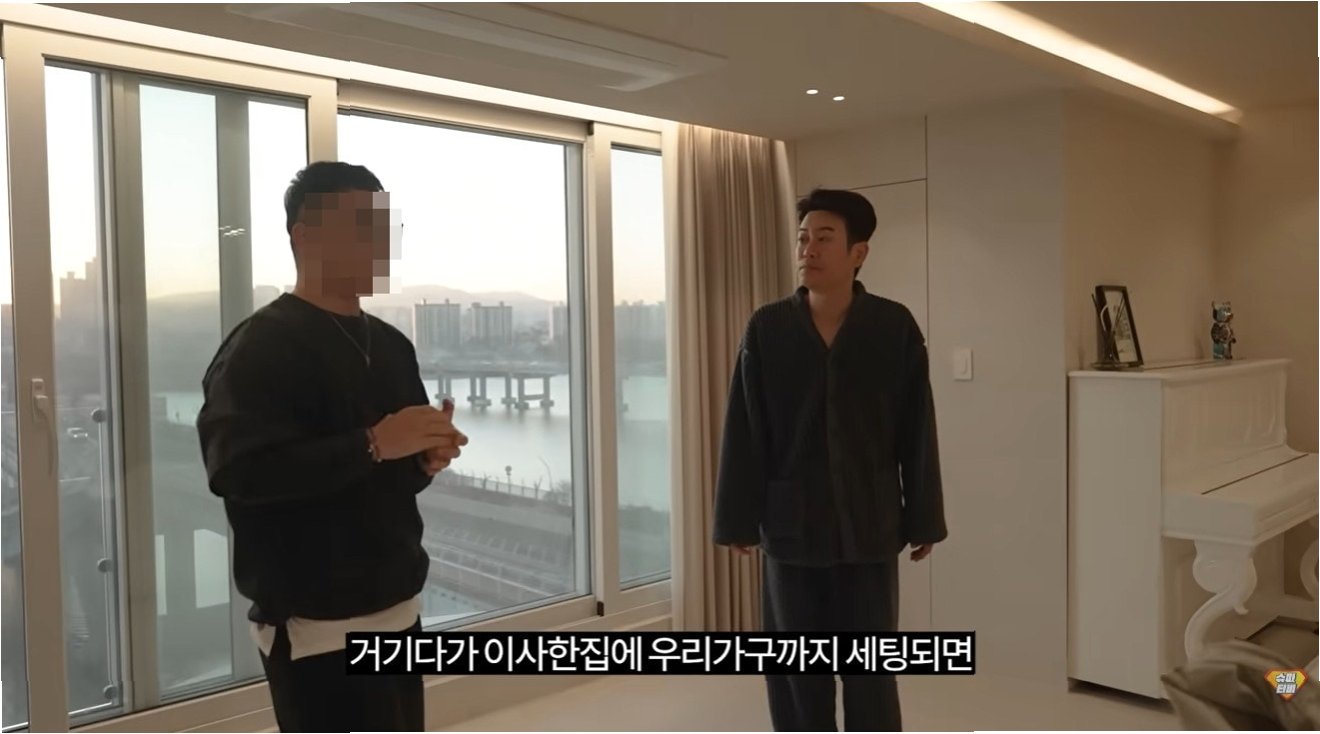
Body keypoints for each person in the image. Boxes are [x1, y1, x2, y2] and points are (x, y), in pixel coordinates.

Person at [196, 161, 466, 732]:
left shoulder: (391, 345)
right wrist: (373, 443)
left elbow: (393, 474)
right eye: (359, 228)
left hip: (398, 604)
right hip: (313, 624)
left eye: (383, 228)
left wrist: (425, 458)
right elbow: (239, 472)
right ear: (304, 235)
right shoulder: (259, 347)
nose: (378, 244)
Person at [713, 188, 947, 732]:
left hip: (869, 527)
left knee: (870, 673)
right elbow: (744, 429)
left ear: (858, 252)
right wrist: (737, 518)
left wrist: (924, 519)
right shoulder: (767, 327)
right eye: (802, 238)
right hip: (790, 531)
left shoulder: (893, 327)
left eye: (824, 238)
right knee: (797, 673)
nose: (808, 249)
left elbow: (917, 429)